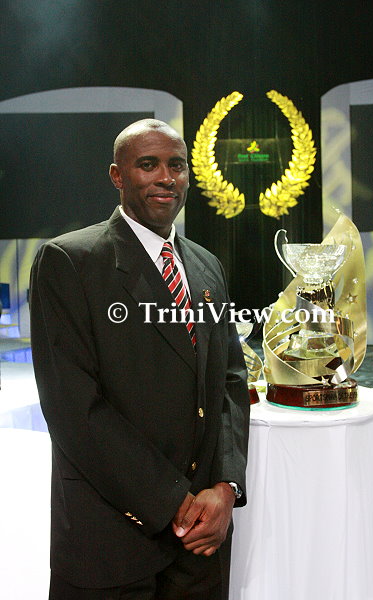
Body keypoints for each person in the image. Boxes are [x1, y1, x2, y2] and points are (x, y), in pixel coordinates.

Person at [30, 119, 250, 600]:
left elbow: (231, 382)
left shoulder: (207, 264)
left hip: (200, 545)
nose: (166, 178)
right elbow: (74, 408)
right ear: (117, 176)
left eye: (177, 165)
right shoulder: (68, 261)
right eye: (148, 165)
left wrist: (226, 487)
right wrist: (172, 501)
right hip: (110, 537)